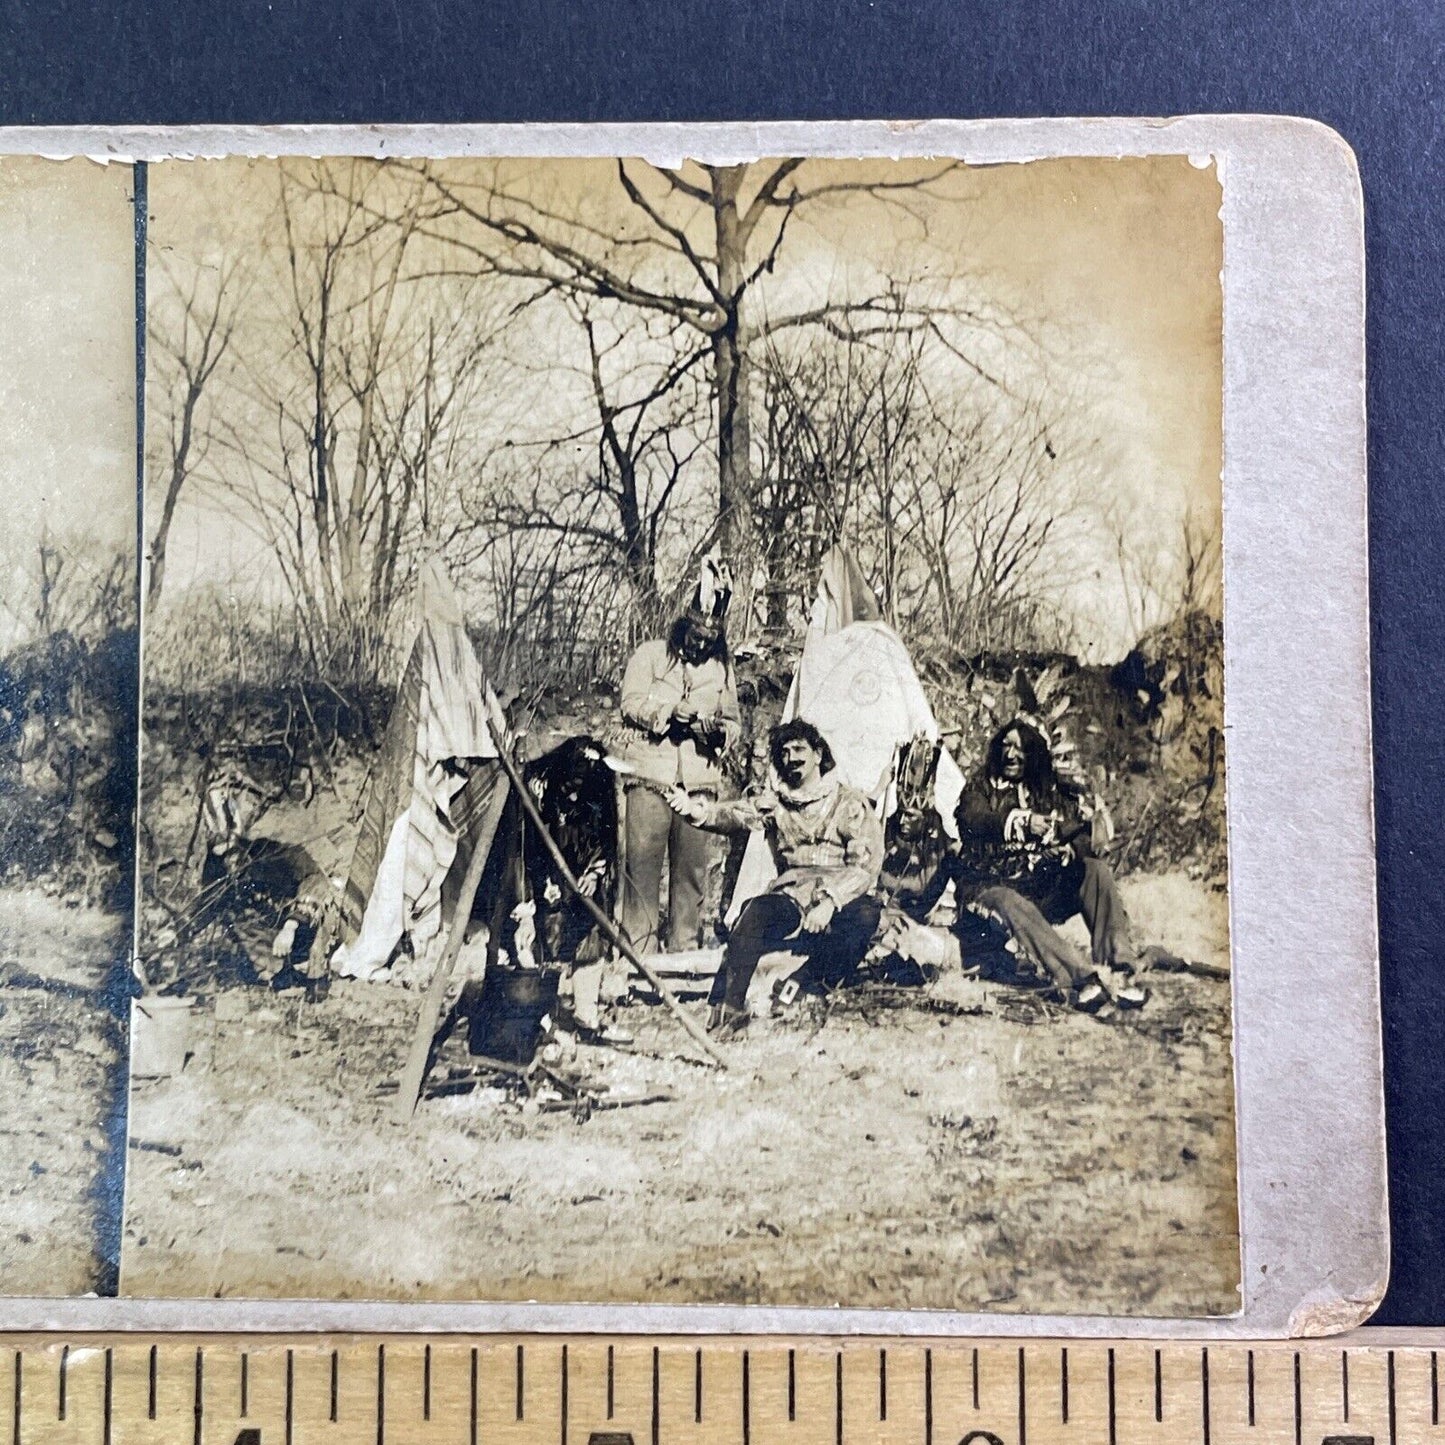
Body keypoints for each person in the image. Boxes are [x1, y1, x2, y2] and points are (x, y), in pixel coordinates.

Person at [668, 718, 885, 1038]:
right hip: (794, 891)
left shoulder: (849, 802)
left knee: (867, 915)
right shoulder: (778, 802)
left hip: (840, 891)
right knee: (754, 913)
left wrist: (830, 901)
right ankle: (730, 1009)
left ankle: (804, 984)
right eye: (784, 752)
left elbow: (865, 866)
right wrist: (694, 810)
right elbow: (735, 814)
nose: (792, 758)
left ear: (818, 754)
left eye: (800, 749)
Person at [951, 717, 1147, 1010]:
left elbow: (1080, 833)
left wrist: (1069, 848)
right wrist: (1023, 822)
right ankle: (1079, 979)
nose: (1011, 754)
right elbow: (973, 819)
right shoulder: (981, 787)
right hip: (987, 891)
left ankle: (1120, 969)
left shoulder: (1048, 789)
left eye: (1020, 748)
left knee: (1095, 872)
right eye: (1005, 746)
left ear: (1034, 754)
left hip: (1038, 889)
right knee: (1008, 899)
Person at [617, 569, 741, 955]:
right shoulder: (650, 655)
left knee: (691, 871)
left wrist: (717, 731)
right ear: (683, 625)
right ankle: (639, 952)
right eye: (696, 637)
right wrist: (669, 713)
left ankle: (685, 949)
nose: (702, 645)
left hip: (698, 781)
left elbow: (734, 723)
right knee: (643, 865)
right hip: (652, 774)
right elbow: (630, 702)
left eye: (710, 640)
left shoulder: (721, 669)